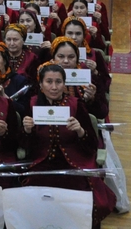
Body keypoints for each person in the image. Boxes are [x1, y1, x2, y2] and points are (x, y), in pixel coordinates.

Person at [22, 63, 115, 227]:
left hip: (73, 162)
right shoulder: (32, 104)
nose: (54, 87)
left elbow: (92, 144)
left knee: (87, 196)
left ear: (64, 84)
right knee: (32, 194)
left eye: (58, 82)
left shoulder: (75, 104)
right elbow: (25, 146)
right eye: (49, 82)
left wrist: (80, 131)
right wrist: (27, 131)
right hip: (42, 163)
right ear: (41, 85)